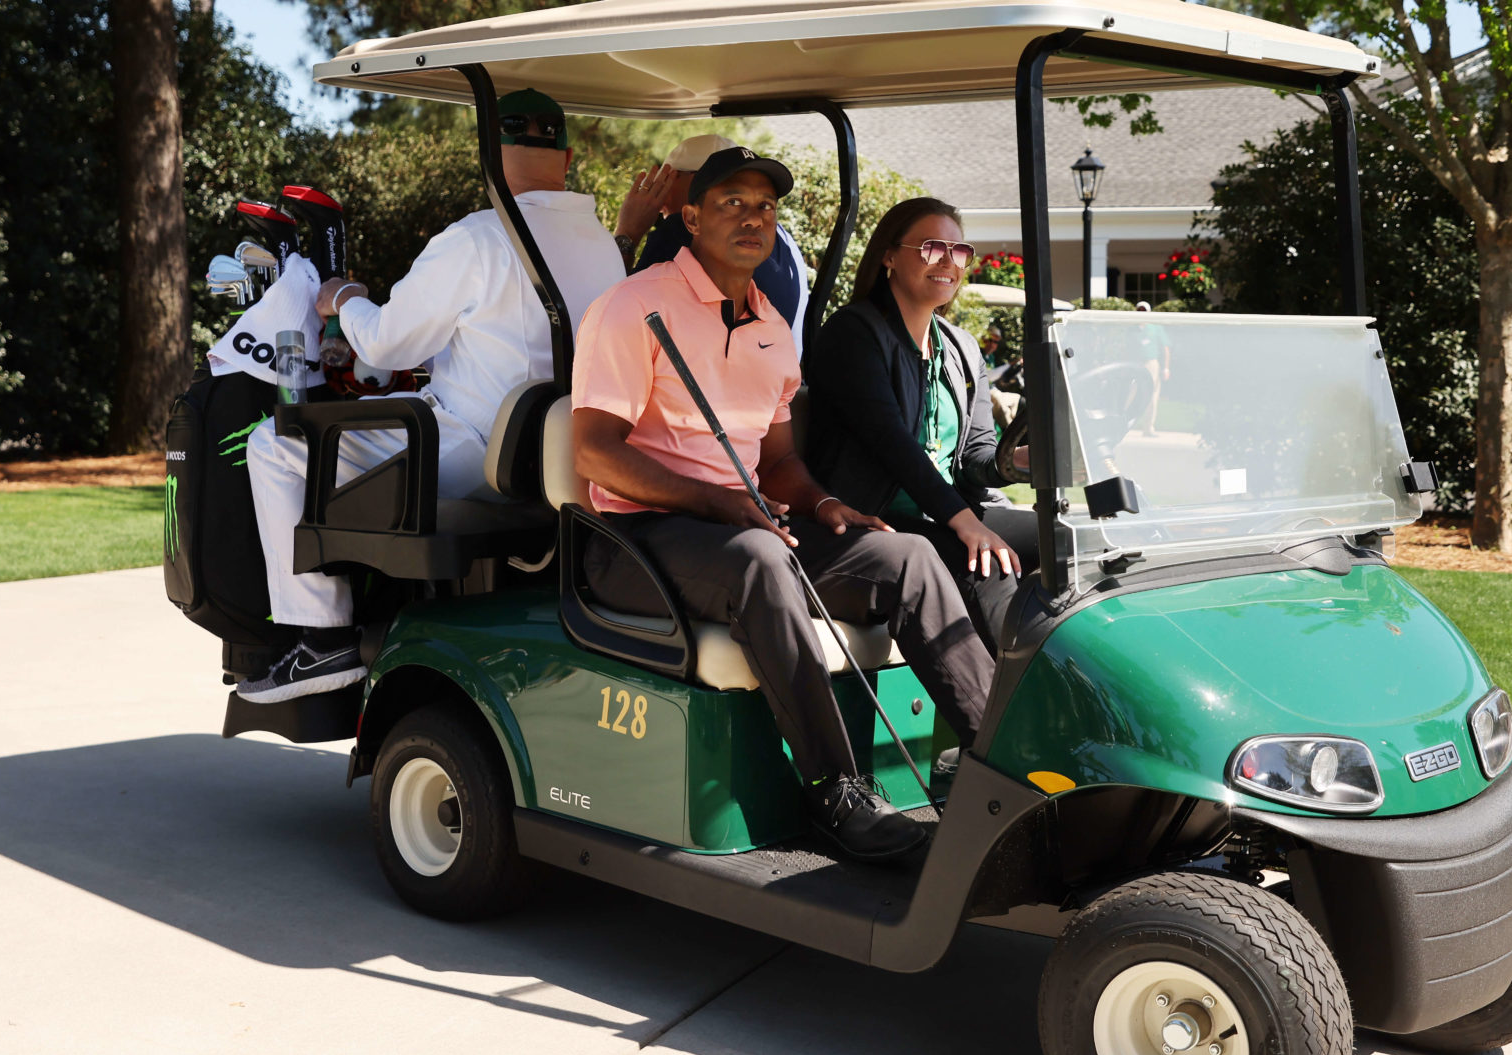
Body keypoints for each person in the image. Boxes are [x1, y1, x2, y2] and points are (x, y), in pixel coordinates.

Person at [571, 148, 994, 862]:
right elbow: (594, 452)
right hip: (635, 539)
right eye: (731, 202)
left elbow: (780, 464)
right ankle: (837, 791)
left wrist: (827, 504)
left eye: (764, 207)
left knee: (909, 554)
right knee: (762, 557)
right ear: (691, 216)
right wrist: (717, 500)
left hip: (742, 527)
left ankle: (1003, 767)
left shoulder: (771, 328)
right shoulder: (633, 306)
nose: (751, 218)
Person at [238, 88, 623, 704]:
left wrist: (344, 297)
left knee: (276, 443)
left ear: (491, 153)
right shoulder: (602, 243)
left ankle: (322, 638)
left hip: (467, 450)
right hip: (550, 454)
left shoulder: (477, 238)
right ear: (568, 158)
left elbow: (386, 345)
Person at [804, 197, 1038, 657]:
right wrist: (968, 524)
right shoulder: (853, 335)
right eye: (933, 248)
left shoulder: (962, 348)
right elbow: (895, 448)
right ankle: (1016, 711)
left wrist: (1019, 461)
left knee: (1064, 545)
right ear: (889, 256)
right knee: (983, 564)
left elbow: (975, 458)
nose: (949, 262)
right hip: (877, 521)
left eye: (960, 251)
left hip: (945, 513)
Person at [612, 133, 813, 355]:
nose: (660, 196)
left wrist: (628, 232)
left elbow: (615, 316)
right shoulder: (779, 236)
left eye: (664, 180)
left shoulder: (684, 231)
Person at [1133, 300, 1172, 435]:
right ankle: (1128, 425)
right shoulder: (1132, 328)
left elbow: (1165, 348)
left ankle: (1148, 428)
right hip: (1136, 363)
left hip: (1151, 364)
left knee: (1152, 396)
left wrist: (1166, 368)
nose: (1141, 313)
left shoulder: (1156, 328)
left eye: (1144, 310)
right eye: (1139, 310)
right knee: (1132, 393)